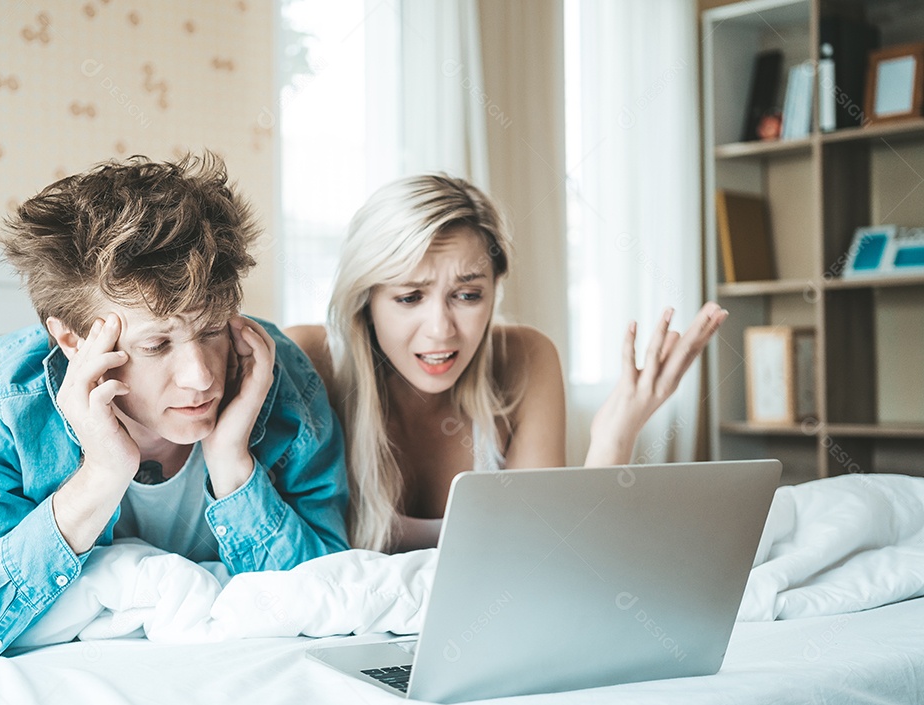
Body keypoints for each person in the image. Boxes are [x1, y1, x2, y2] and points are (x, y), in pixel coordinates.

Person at [0, 153, 350, 660]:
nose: (201, 376)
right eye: (157, 346)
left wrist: (233, 465)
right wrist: (99, 479)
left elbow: (333, 595)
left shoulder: (274, 371)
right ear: (72, 341)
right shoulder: (3, 395)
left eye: (211, 329)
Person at [286, 173, 727, 553]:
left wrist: (614, 438)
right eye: (409, 297)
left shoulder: (527, 360)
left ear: (494, 291)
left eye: (467, 295)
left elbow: (553, 558)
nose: (441, 329)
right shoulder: (308, 362)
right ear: (366, 300)